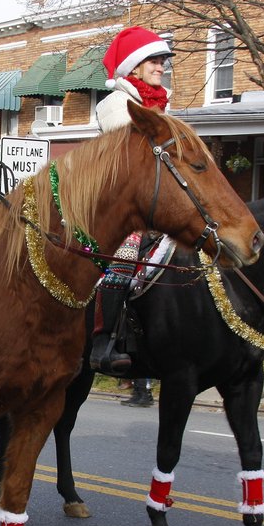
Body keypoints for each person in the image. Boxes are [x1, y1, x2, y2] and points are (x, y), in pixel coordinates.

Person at [88, 26, 175, 406]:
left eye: (162, 61)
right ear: (134, 67)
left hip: (164, 205)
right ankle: (104, 342)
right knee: (125, 257)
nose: (160, 66)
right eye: (154, 60)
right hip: (125, 208)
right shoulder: (114, 104)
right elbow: (134, 165)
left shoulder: (165, 104)